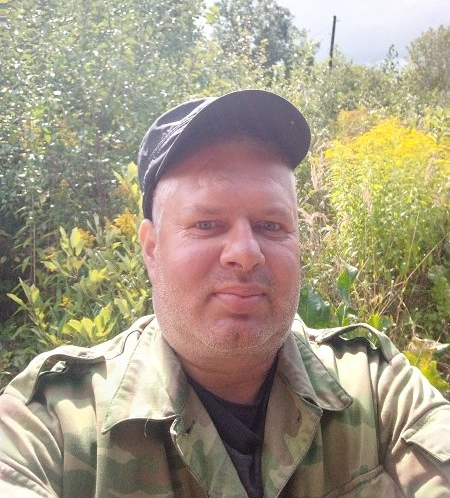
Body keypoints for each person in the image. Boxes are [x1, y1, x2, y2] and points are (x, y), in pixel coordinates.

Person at [0, 89, 449, 498]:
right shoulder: (56, 421)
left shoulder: (375, 387)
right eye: (207, 225)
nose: (246, 253)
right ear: (152, 248)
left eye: (271, 225)